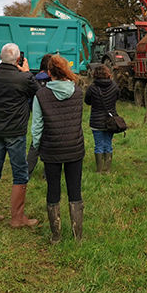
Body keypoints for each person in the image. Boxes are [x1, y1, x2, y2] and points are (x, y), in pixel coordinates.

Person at [0, 43, 40, 227]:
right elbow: (39, 92)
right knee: (20, 173)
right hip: (15, 130)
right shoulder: (23, 78)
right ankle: (17, 217)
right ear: (18, 59)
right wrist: (27, 72)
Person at [31, 55, 85, 243]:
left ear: (48, 73)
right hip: (74, 146)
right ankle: (78, 235)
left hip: (51, 148)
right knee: (75, 190)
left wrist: (36, 146)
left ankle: (56, 236)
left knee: (53, 189)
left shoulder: (41, 95)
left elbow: (37, 126)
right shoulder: (78, 93)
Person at [85, 65, 121, 174]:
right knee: (108, 144)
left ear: (95, 74)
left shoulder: (92, 88)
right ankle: (107, 169)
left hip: (96, 121)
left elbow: (87, 101)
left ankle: (99, 170)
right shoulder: (114, 86)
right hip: (111, 120)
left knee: (98, 145)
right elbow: (117, 98)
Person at [27, 53, 53, 179]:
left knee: (35, 143)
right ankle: (47, 175)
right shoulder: (54, 80)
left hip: (38, 113)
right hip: (53, 115)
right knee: (50, 144)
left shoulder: (34, 79)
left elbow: (28, 99)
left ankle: (27, 173)